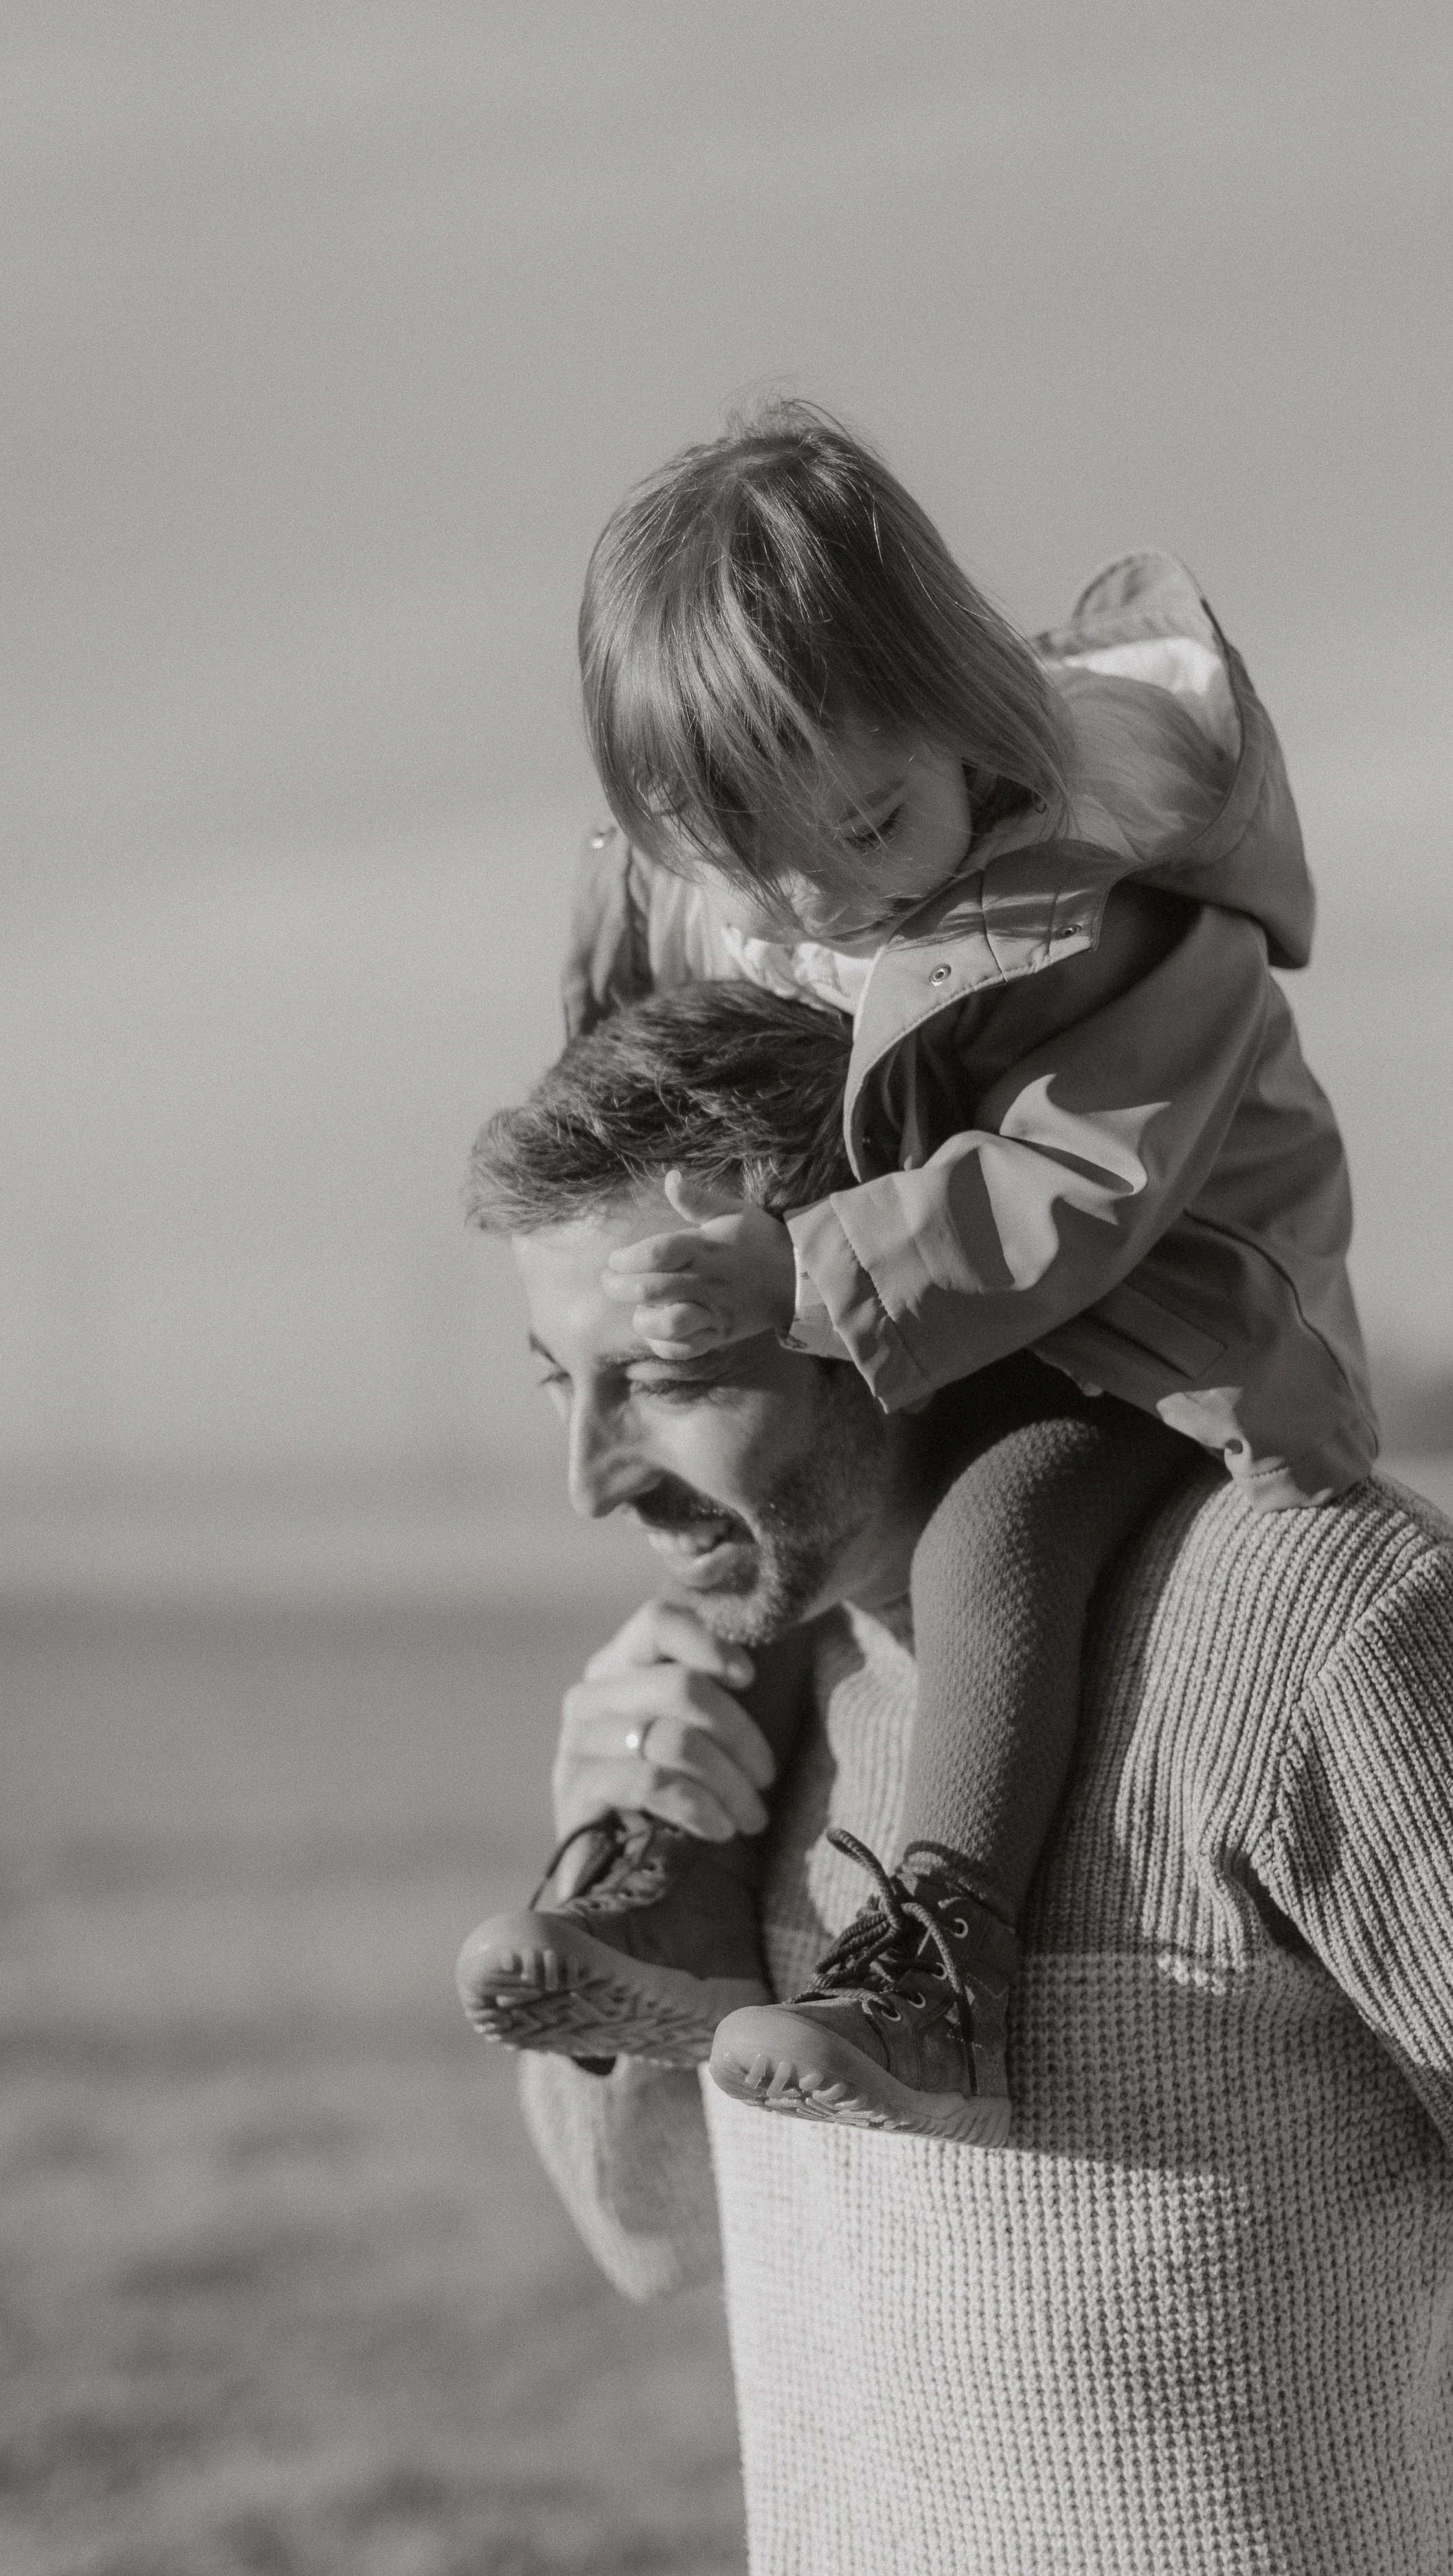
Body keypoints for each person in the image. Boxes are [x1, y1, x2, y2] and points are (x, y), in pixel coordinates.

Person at [459, 401, 1375, 2143]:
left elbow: (1076, 1186)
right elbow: (637, 1066)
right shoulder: (757, 895)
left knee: (992, 1528)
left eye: (869, 826)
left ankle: (942, 1970)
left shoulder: (1108, 908)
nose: (825, 900)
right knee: (741, 1543)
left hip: (1155, 1327)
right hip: (894, 1322)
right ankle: (670, 1894)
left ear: (970, 724)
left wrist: (792, 1271)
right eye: (750, 863)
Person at [464, 985, 1453, 2574]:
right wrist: (604, 1842)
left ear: (890, 1303)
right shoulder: (728, 1699)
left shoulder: (1308, 1623)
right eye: (555, 1384)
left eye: (662, 1374)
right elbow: (651, 2240)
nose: (590, 1484)